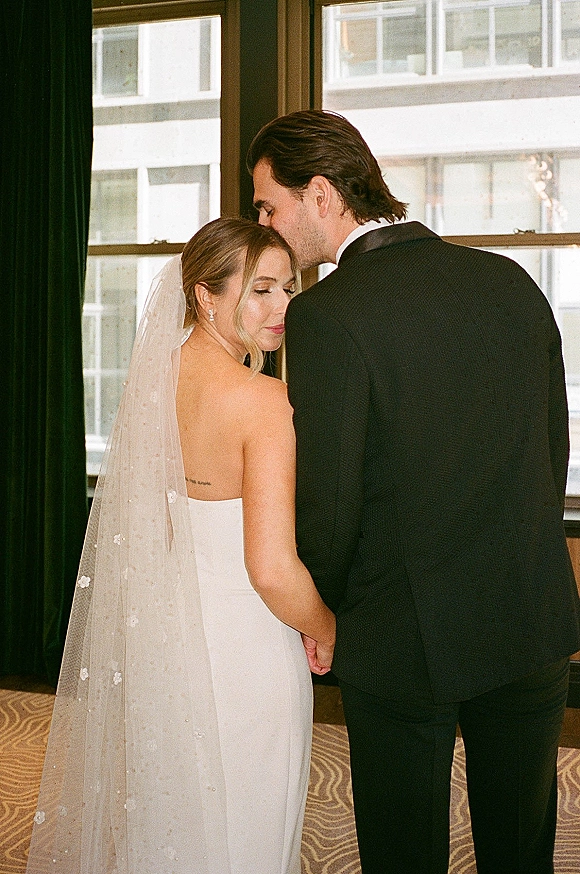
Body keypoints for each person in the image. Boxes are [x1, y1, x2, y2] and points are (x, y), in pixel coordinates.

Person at [247, 109, 580, 874]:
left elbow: (329, 506)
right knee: (521, 849)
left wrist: (319, 614)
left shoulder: (327, 315)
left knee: (405, 853)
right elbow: (550, 450)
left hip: (401, 637)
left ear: (321, 195)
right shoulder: (510, 280)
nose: (264, 224)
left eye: (269, 206)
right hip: (527, 614)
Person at [25, 217, 335, 874]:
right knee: (247, 822)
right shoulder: (265, 402)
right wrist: (328, 627)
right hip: (249, 648)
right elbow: (271, 569)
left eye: (288, 287)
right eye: (261, 290)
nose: (284, 306)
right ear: (205, 295)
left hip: (168, 642)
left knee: (174, 820)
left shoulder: (153, 379)